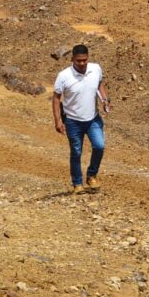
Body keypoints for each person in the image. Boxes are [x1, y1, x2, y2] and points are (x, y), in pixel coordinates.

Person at [52, 44, 110, 195]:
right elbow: (56, 98)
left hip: (93, 119)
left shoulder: (95, 69)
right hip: (73, 121)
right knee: (76, 152)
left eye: (85, 60)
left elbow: (99, 84)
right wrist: (58, 120)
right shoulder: (64, 76)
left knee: (99, 146)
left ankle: (92, 175)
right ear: (72, 59)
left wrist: (105, 100)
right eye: (78, 60)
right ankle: (77, 183)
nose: (82, 63)